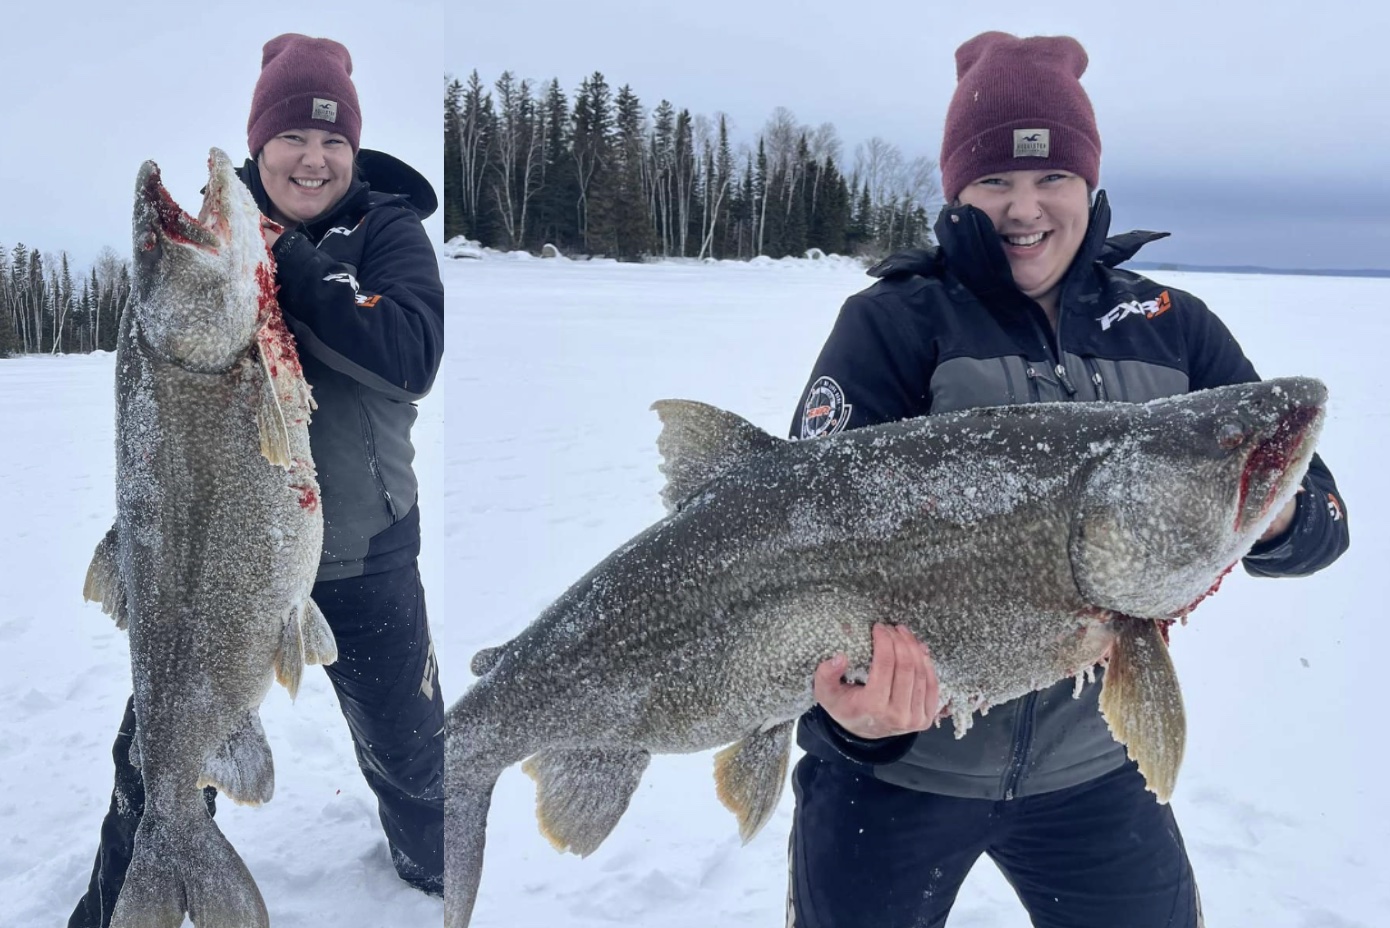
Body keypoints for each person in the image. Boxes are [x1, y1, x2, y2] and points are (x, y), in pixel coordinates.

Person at [785, 31, 1349, 928]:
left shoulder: (1172, 327)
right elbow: (789, 550)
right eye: (996, 180)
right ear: (957, 191)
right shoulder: (895, 323)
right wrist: (851, 725)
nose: (1024, 208)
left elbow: (1321, 517)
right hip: (900, 771)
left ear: (1088, 184)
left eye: (1051, 178)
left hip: (1093, 765)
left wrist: (1272, 517)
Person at [69, 33, 446, 926]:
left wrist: (294, 267)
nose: (312, 159)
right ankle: (125, 900)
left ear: (353, 149)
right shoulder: (224, 237)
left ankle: (435, 871)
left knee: (414, 757)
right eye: (291, 138)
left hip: (366, 551)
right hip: (212, 572)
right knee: (159, 755)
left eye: (333, 142)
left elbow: (410, 353)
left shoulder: (386, 230)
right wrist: (245, 258)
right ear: (260, 142)